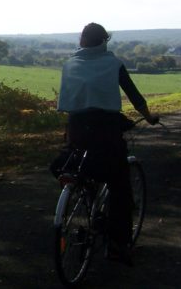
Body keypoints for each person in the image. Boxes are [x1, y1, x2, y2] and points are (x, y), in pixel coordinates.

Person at [57, 23, 158, 266]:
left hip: (77, 129)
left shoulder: (70, 64)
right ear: (105, 41)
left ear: (82, 41)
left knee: (82, 168)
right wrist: (149, 116)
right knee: (120, 186)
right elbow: (134, 96)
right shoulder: (114, 64)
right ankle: (116, 245)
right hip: (106, 130)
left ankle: (88, 202)